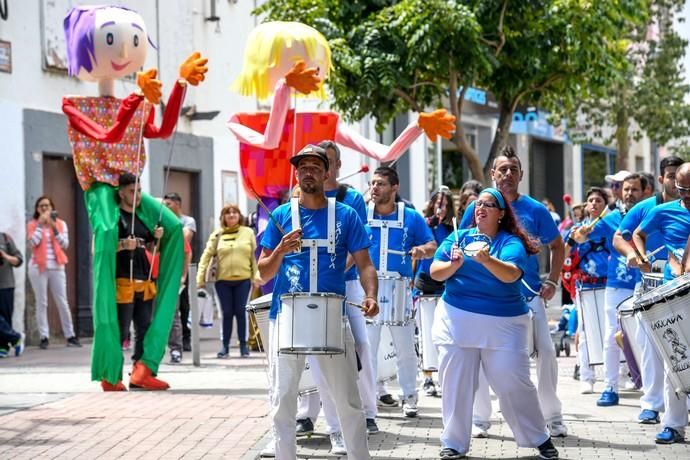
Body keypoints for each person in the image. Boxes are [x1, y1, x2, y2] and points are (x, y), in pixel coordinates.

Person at [62, 5, 207, 389]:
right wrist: (134, 101)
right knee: (108, 236)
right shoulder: (74, 106)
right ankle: (110, 369)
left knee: (174, 227)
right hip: (99, 188)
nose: (124, 52)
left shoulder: (139, 103)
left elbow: (162, 130)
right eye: (110, 40)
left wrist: (179, 85)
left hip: (132, 186)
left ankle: (147, 364)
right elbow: (106, 136)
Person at [228, 21, 454, 254]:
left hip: (316, 216)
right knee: (268, 243)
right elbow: (269, 140)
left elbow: (385, 154)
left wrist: (417, 126)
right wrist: (283, 87)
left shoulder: (323, 124)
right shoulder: (241, 121)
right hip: (273, 207)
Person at [258, 144, 379, 459]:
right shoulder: (283, 215)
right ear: (296, 174)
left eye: (315, 167)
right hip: (287, 313)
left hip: (332, 311)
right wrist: (281, 250)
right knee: (283, 398)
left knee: (348, 398)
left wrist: (371, 296)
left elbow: (364, 263)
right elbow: (262, 271)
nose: (307, 172)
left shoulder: (346, 214)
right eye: (302, 167)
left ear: (327, 173)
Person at [430, 187, 559, 460]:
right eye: (478, 204)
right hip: (456, 319)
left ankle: (539, 437)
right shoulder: (458, 237)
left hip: (505, 323)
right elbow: (435, 272)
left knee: (513, 383)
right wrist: (453, 264)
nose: (481, 208)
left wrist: (487, 259)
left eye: (489, 204)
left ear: (500, 214)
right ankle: (452, 443)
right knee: (455, 384)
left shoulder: (510, 242)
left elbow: (511, 275)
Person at [460, 145, 567, 438]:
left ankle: (552, 415)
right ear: (492, 174)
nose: (508, 174)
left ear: (521, 175)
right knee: (479, 358)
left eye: (514, 169)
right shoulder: (476, 207)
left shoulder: (535, 209)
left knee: (545, 352)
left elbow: (558, 246)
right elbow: (460, 245)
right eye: (502, 169)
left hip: (527, 295)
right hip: (485, 299)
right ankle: (480, 418)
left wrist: (553, 281)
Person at [293, 140, 380, 453]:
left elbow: (353, 250)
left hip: (346, 283)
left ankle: (368, 411)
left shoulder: (350, 199)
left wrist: (332, 271)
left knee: (358, 346)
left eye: (323, 163)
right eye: (309, 165)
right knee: (310, 356)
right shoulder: (295, 199)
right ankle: (308, 414)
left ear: (334, 167)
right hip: (308, 292)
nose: (316, 170)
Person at [612, 156, 684, 424]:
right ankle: (652, 404)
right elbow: (620, 236)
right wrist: (634, 255)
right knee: (649, 344)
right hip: (652, 281)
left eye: (681, 176)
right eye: (671, 175)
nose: (676, 181)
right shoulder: (646, 207)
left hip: (682, 282)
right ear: (661, 178)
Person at [367, 166, 437, 418]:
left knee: (405, 348)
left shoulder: (411, 216)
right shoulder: (361, 214)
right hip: (369, 288)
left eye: (381, 184)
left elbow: (432, 245)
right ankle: (369, 396)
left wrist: (420, 251)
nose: (374, 188)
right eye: (373, 183)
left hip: (399, 286)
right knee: (367, 346)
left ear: (395, 187)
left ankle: (409, 396)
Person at [571, 173, 646, 407]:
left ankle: (650, 388)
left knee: (644, 337)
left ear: (643, 191)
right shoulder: (611, 217)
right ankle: (610, 387)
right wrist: (580, 234)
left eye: (634, 189)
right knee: (610, 337)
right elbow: (582, 237)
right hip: (616, 284)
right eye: (626, 189)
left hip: (645, 282)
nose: (629, 193)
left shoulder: (650, 213)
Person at [632, 162, 690, 444]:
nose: (687, 195)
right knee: (675, 361)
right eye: (683, 190)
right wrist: (642, 257)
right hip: (674, 291)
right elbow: (637, 234)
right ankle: (674, 425)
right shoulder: (663, 211)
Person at [113, 173, 169, 391]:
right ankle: (111, 375)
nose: (136, 195)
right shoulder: (115, 217)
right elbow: (101, 247)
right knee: (121, 331)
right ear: (121, 192)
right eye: (131, 191)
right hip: (123, 281)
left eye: (138, 191)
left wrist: (156, 237)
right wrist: (121, 245)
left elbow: (151, 248)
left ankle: (139, 374)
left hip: (144, 281)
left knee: (144, 329)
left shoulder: (142, 217)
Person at [562, 187, 609, 394]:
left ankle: (620, 374)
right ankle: (587, 376)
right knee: (586, 332)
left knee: (613, 332)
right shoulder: (576, 228)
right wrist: (573, 239)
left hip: (609, 284)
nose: (594, 204)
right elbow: (563, 254)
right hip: (585, 285)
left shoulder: (611, 226)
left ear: (604, 204)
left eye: (598, 200)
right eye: (590, 200)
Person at [197, 204, 260, 358]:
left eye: (234, 212)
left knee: (241, 312)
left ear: (239, 215)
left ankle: (243, 346)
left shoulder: (248, 232)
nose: (231, 215)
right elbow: (206, 256)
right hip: (222, 281)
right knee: (226, 313)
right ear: (223, 217)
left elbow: (254, 256)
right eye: (228, 213)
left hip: (244, 280)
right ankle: (224, 346)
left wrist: (256, 275)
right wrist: (200, 277)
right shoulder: (217, 234)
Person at [414, 186, 456, 396]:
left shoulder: (452, 229)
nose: (441, 208)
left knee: (444, 332)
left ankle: (444, 376)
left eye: (445, 204)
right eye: (438, 204)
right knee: (426, 332)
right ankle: (427, 377)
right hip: (425, 281)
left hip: (446, 282)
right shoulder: (425, 224)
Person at [26, 196, 80, 349]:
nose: (44, 208)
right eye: (41, 206)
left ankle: (70, 336)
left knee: (62, 301)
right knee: (41, 302)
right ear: (37, 209)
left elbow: (65, 244)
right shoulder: (32, 225)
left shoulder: (61, 224)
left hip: (57, 266)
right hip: (38, 267)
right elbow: (32, 243)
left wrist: (53, 228)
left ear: (52, 207)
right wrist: (41, 226)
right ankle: (44, 337)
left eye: (47, 205)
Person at [163, 192, 197, 353]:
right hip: (167, 267)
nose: (166, 207)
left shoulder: (188, 221)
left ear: (177, 204)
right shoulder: (164, 219)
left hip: (183, 266)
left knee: (184, 304)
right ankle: (172, 339)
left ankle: (186, 338)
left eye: (168, 204)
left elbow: (184, 239)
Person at [0, 231, 24, 357]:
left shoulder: (5, 238)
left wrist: (5, 256)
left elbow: (19, 260)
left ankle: (3, 347)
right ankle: (15, 338)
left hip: (5, 285)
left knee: (5, 317)